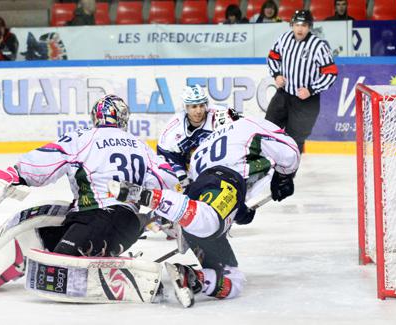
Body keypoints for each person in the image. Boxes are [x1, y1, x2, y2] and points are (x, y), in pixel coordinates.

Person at [0, 95, 178, 289]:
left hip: (95, 221)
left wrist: (11, 175)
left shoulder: (82, 138)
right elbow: (167, 181)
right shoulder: (142, 147)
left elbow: (41, 164)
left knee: (51, 265)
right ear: (123, 119)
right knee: (41, 238)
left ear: (96, 117)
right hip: (128, 227)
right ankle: (103, 258)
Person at [109, 110, 300, 307]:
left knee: (233, 281)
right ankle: (147, 196)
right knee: (209, 221)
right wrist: (284, 176)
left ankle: (192, 277)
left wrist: (241, 212)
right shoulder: (246, 124)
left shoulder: (202, 149)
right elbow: (289, 148)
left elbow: (218, 199)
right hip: (222, 187)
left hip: (198, 199)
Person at [266, 10, 338, 153]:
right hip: (283, 95)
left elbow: (331, 73)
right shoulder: (284, 38)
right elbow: (273, 57)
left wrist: (311, 90)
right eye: (297, 24)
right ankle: (267, 169)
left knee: (294, 142)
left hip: (306, 102)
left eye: (304, 25)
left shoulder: (318, 46)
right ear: (292, 25)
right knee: (268, 131)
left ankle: (287, 175)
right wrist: (276, 74)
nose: (300, 29)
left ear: (309, 27)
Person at [157, 84, 218, 192]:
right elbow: (167, 160)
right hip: (191, 171)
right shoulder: (172, 131)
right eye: (194, 106)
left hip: (218, 168)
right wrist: (184, 182)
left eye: (201, 105)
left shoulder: (220, 115)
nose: (199, 111)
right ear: (185, 107)